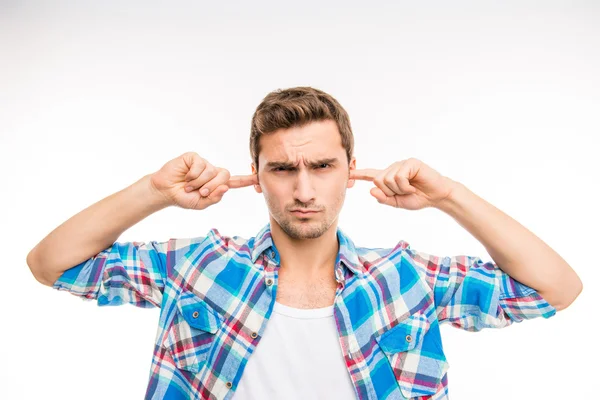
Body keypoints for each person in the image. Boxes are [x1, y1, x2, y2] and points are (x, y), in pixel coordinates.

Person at [26, 86, 582, 400]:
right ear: (256, 174)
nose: (304, 189)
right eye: (283, 169)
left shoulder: (403, 278)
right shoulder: (199, 265)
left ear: (350, 170)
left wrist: (449, 196)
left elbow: (556, 289)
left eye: (322, 166)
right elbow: (51, 264)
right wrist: (154, 191)